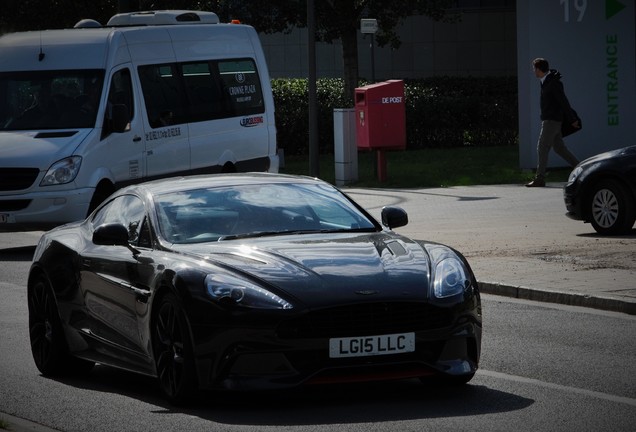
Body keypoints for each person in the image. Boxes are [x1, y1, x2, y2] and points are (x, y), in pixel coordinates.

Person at [526, 58, 580, 187]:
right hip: (552, 120)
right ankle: (582, 169)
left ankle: (540, 178)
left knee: (542, 147)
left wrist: (572, 119)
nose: (534, 71)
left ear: (539, 69)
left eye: (534, 69)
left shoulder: (553, 83)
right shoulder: (546, 81)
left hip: (551, 121)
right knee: (559, 148)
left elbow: (563, 101)